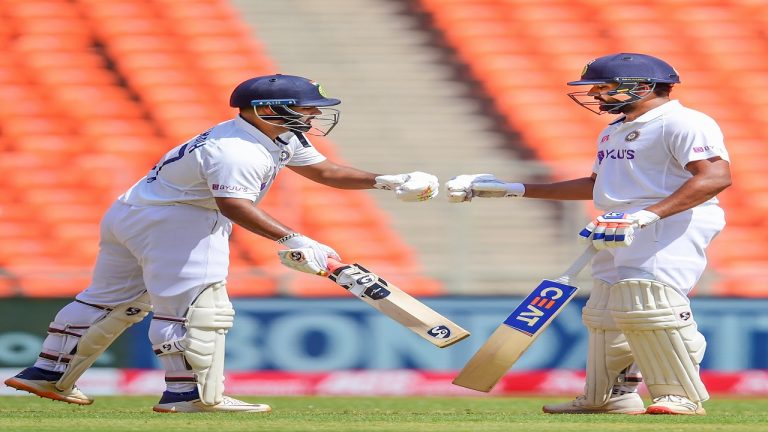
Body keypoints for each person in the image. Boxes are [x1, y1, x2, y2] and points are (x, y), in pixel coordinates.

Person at [4, 74, 439, 413]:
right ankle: (190, 395)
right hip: (182, 220)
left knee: (110, 302)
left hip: (133, 211)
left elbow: (327, 173)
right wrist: (292, 237)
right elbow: (232, 204)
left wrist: (388, 180)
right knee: (198, 310)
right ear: (270, 109)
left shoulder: (276, 134)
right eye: (306, 108)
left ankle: (47, 372)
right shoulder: (236, 150)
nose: (313, 116)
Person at [446, 53, 731, 415]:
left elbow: (715, 178)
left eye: (603, 86)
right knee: (606, 310)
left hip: (670, 220)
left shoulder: (683, 122)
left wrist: (645, 216)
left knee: (652, 303)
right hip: (618, 222)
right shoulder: (614, 129)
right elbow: (597, 185)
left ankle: (680, 395)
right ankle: (610, 396)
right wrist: (512, 188)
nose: (595, 93)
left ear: (641, 87)